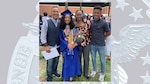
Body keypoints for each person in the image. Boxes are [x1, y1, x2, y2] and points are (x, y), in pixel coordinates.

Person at [90, 6, 110, 82]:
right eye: (94, 12)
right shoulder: (91, 21)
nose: (96, 14)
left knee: (102, 60)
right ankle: (95, 70)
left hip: (101, 45)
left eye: (97, 13)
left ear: (100, 13)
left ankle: (102, 73)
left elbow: (108, 32)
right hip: (92, 44)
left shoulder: (104, 23)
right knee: (93, 59)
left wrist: (103, 37)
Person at [59, 9, 81, 81]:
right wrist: (67, 45)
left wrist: (75, 44)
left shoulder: (74, 28)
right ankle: (66, 76)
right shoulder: (61, 29)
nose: (67, 19)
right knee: (66, 63)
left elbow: (78, 38)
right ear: (63, 18)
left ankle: (71, 76)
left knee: (73, 62)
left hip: (73, 49)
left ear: (71, 19)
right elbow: (61, 39)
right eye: (65, 17)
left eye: (68, 17)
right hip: (66, 49)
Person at [40, 6, 61, 81]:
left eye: (57, 11)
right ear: (51, 13)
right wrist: (45, 46)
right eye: (54, 11)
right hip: (50, 46)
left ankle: (54, 72)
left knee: (56, 61)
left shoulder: (59, 22)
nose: (56, 13)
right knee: (50, 63)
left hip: (58, 46)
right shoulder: (47, 22)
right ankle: (49, 77)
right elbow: (43, 34)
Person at [75, 10, 91, 79]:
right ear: (75, 15)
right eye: (77, 14)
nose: (78, 16)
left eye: (80, 14)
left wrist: (87, 34)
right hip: (77, 44)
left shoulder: (87, 22)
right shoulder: (74, 24)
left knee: (86, 59)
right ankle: (79, 72)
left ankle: (86, 73)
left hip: (86, 43)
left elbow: (90, 31)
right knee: (78, 59)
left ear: (82, 15)